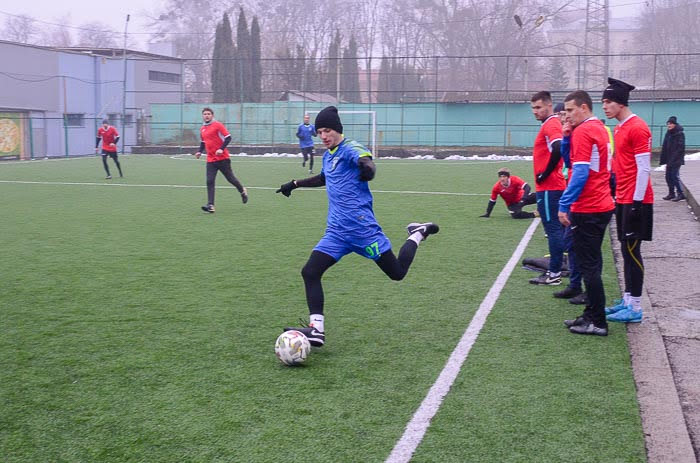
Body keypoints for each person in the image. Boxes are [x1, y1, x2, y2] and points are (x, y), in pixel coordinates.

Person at [275, 106, 439, 347]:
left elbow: (366, 162)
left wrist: (368, 170)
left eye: (327, 130)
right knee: (310, 272)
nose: (323, 135)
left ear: (338, 130)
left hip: (363, 232)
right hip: (337, 233)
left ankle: (417, 233)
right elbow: (324, 178)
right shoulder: (329, 154)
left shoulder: (351, 148)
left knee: (397, 273)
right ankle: (316, 329)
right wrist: (295, 183)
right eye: (319, 131)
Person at [558, 90, 615, 336]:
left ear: (583, 107)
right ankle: (591, 314)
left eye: (570, 110)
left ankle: (598, 322)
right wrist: (567, 138)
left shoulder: (585, 131)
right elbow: (573, 162)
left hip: (589, 207)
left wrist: (564, 204)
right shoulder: (598, 128)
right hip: (601, 205)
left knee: (588, 267)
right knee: (590, 265)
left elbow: (578, 172)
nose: (567, 115)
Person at [602, 78, 654, 324]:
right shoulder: (620, 128)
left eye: (608, 102)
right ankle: (626, 299)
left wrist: (636, 202)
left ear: (620, 103)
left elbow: (644, 168)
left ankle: (635, 306)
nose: (604, 107)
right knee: (625, 251)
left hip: (637, 200)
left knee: (633, 253)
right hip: (623, 197)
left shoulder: (638, 127)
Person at [529, 91, 566, 285]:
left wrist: (545, 173)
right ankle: (558, 270)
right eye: (533, 108)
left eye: (538, 107)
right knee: (556, 230)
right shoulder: (549, 124)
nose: (535, 111)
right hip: (550, 187)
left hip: (550, 187)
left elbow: (559, 148)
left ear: (549, 106)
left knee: (553, 230)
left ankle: (554, 274)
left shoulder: (551, 124)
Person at [194, 107, 248, 213]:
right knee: (209, 181)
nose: (206, 115)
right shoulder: (202, 129)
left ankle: (242, 190)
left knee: (231, 179)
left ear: (212, 115)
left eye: (209, 114)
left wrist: (221, 149)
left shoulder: (218, 125)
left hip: (223, 158)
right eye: (205, 114)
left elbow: (228, 137)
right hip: (210, 160)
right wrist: (200, 151)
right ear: (202, 116)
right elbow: (203, 142)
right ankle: (211, 205)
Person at [659, 116, 686, 202]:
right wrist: (664, 158)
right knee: (668, 177)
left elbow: (681, 148)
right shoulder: (669, 133)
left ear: (674, 124)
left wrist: (675, 158)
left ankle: (680, 193)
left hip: (676, 159)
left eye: (670, 124)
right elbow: (665, 146)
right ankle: (671, 193)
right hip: (669, 159)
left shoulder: (679, 133)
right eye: (668, 124)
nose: (669, 125)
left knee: (674, 176)